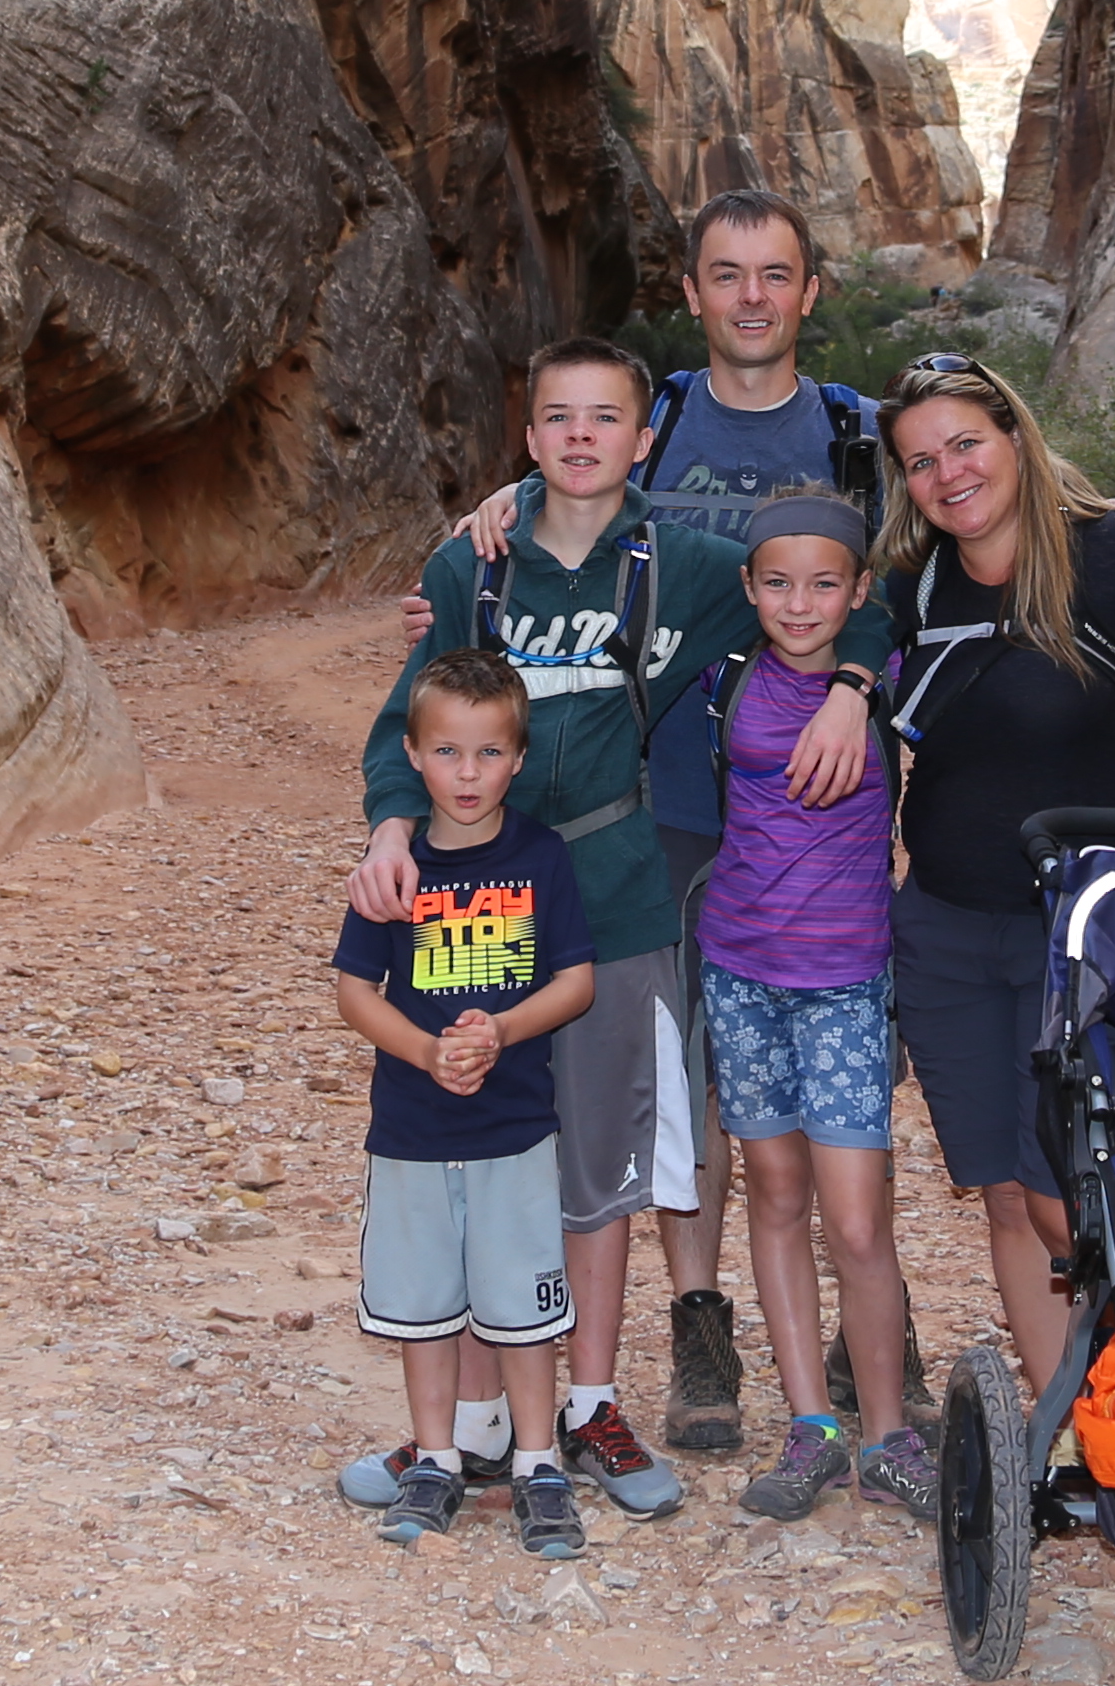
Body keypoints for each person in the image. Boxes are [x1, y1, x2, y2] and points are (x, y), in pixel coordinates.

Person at [346, 338, 869, 1518]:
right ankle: (473, 1429)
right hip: (467, 898)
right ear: (528, 439)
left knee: (596, 1169)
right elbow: (404, 720)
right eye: (557, 418)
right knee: (466, 1148)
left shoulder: (689, 565)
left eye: (606, 419)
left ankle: (586, 1405)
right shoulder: (469, 566)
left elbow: (832, 596)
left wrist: (856, 685)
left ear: (645, 441)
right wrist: (390, 827)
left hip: (615, 891)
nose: (581, 437)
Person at [458, 188, 891, 1450]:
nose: (752, 296)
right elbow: (566, 507)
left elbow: (907, 577)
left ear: (810, 293)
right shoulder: (663, 426)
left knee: (837, 1069)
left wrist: (859, 683)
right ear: (692, 292)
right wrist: (488, 517)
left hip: (817, 814)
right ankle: (701, 1324)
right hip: (662, 806)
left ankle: (876, 1330)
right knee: (684, 1077)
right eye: (726, 274)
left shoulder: (859, 434)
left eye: (777, 275)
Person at [872, 351, 1115, 1398]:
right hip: (951, 932)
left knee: (1075, 1190)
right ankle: (1075, 1435)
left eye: (966, 444)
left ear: (1016, 436)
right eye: (920, 463)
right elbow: (782, 591)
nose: (949, 475)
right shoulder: (912, 586)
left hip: (1102, 927)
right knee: (1007, 1192)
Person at [674, 497, 926, 1520]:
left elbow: (937, 597)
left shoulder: (887, 680)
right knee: (774, 1194)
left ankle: (893, 1435)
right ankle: (812, 1425)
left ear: (858, 591)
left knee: (858, 1223)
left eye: (826, 583)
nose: (799, 604)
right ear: (748, 588)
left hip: (846, 983)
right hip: (740, 967)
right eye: (777, 582)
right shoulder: (723, 673)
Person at [334, 650, 596, 1553]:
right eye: (448, 753)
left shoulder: (541, 857)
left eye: (489, 754)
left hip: (514, 1129)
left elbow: (575, 981)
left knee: (522, 1310)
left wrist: (502, 1032)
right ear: (412, 753)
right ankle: (438, 1459)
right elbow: (354, 990)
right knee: (425, 1308)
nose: (469, 774)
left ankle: (538, 1465)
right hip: (411, 1129)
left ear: (518, 757)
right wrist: (423, 1051)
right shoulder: (393, 873)